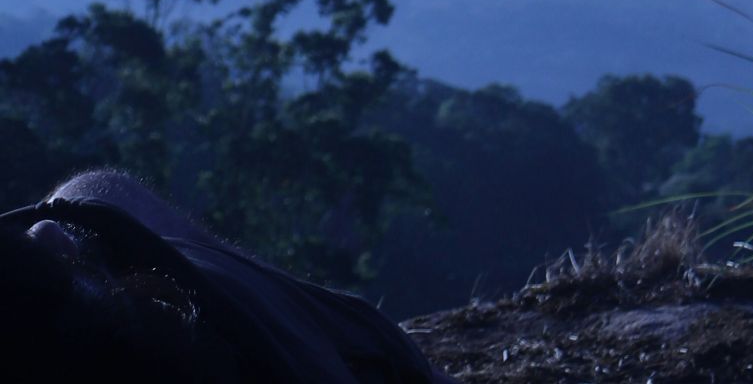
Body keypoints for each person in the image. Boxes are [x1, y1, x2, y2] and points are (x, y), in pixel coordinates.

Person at [0, 169, 455, 383]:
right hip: (346, 355)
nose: (43, 230)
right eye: (47, 265)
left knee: (99, 195)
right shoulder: (227, 332)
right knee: (102, 196)